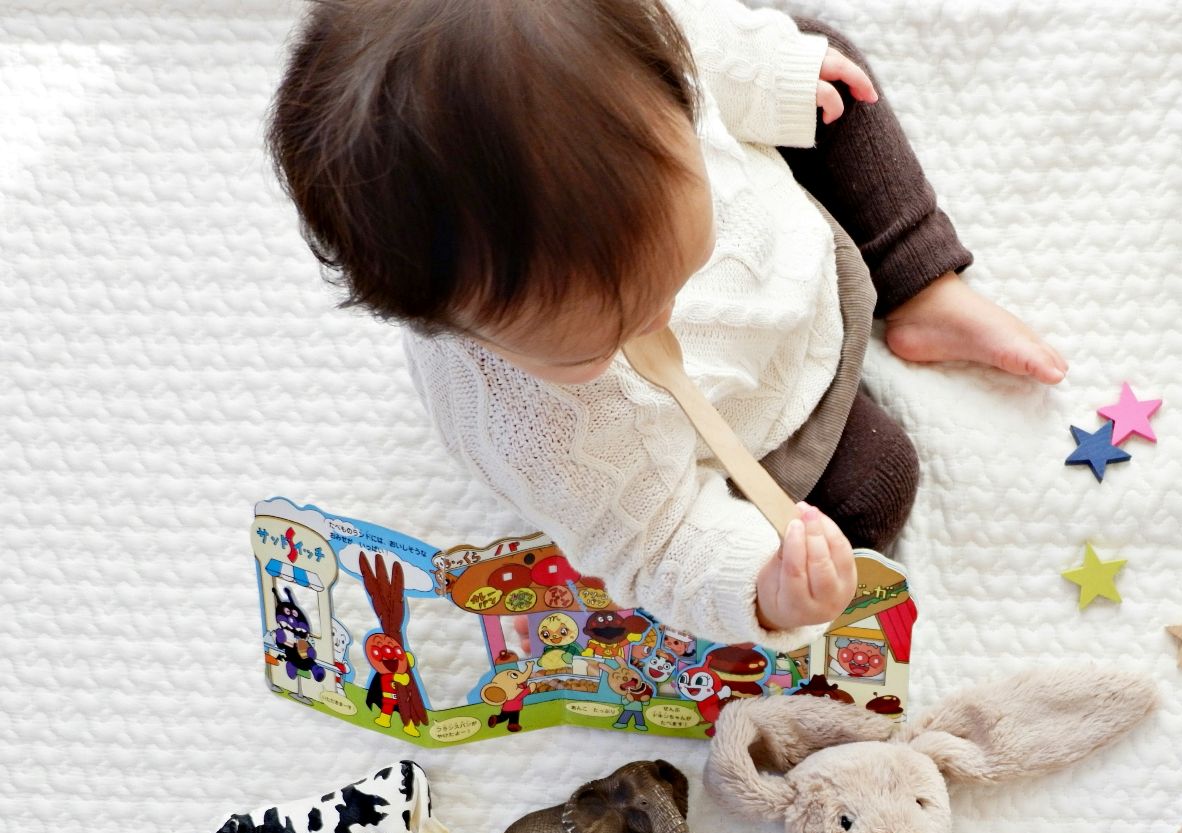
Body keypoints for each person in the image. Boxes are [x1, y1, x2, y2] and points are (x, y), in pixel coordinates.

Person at [268, 0, 1065, 649]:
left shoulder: (637, 54)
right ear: (456, 329)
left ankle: (920, 286)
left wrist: (770, 75)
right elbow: (656, 545)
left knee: (822, 69)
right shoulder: (543, 433)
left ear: (674, 102)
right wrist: (764, 590)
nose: (663, 318)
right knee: (874, 488)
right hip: (757, 426)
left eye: (675, 271)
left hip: (799, 252)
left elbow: (707, 44)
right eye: (600, 340)